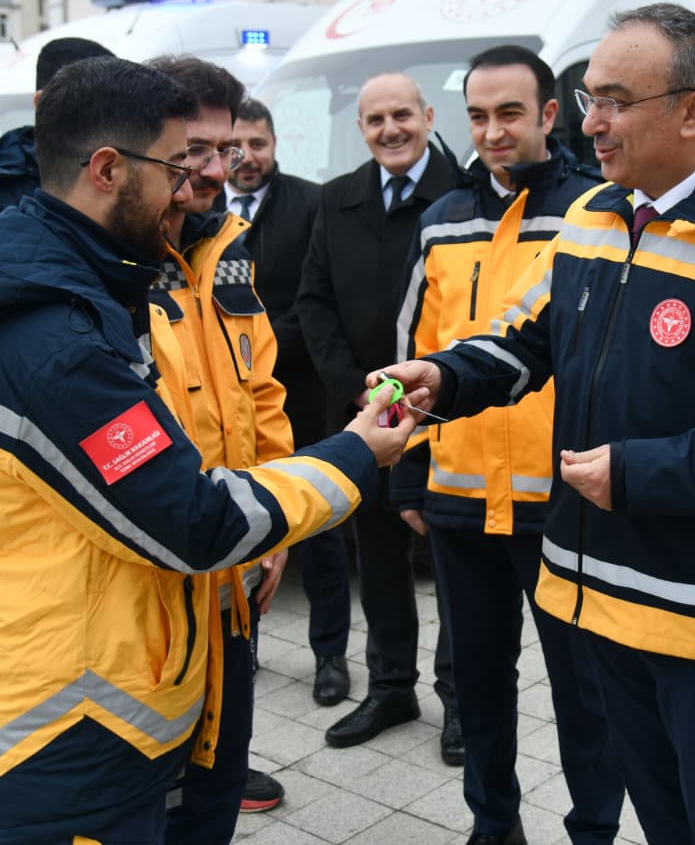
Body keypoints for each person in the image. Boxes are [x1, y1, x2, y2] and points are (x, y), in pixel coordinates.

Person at [0, 56, 423, 845]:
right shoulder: (54, 337)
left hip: (144, 672)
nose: (195, 182)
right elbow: (193, 519)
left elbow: (247, 397)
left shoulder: (92, 281)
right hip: (71, 735)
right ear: (107, 169)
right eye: (178, 162)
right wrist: (355, 453)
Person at [377, 3, 695, 845]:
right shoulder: (595, 217)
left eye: (614, 100)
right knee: (662, 817)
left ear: (693, 110)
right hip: (596, 596)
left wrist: (642, 473)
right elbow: (522, 339)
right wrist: (445, 376)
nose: (589, 122)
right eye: (586, 98)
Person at [394, 45, 624, 845]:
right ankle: (493, 827)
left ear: (550, 114)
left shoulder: (596, 210)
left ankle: (594, 830)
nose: (493, 131)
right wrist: (409, 476)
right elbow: (414, 348)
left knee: (585, 691)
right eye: (478, 116)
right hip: (460, 500)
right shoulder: (441, 220)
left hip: (561, 500)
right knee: (479, 686)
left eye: (510, 113)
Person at [296, 72, 462, 761]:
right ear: (361, 129)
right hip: (368, 420)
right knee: (380, 561)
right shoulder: (337, 199)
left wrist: (434, 392)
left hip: (448, 414)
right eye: (375, 119)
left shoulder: (463, 196)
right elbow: (314, 302)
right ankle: (392, 687)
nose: (390, 129)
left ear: (428, 116)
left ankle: (460, 698)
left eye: (402, 114)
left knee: (453, 565)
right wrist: (357, 395)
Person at [145, 56, 286, 832]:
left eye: (224, 150)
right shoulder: (109, 267)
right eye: (193, 150)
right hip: (151, 593)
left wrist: (276, 526)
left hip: (234, 579)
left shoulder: (225, 246)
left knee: (215, 791)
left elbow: (260, 393)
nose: (213, 170)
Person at [219, 98, 351, 708]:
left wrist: (258, 351)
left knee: (316, 525)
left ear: (275, 144)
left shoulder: (311, 203)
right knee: (239, 519)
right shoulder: (201, 204)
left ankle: (330, 655)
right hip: (225, 398)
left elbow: (317, 296)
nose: (247, 158)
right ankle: (242, 644)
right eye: (236, 146)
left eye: (258, 144)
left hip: (299, 389)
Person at [0, 36, 113, 240]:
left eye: (112, 105)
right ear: (42, 102)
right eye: (88, 103)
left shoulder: (115, 173)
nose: (105, 117)